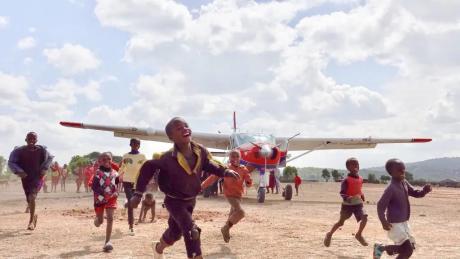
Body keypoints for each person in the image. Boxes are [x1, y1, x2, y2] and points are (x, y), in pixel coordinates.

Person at [130, 117, 240, 259]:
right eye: (179, 128)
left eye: (186, 126)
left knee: (175, 233)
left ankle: (158, 248)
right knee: (192, 232)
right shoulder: (167, 158)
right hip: (174, 202)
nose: (184, 129)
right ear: (171, 137)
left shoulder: (201, 151)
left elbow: (209, 164)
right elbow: (147, 168)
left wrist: (224, 171)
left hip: (190, 200)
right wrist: (138, 194)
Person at [373, 159, 432, 259]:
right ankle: (382, 248)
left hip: (404, 222)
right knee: (407, 250)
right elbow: (380, 205)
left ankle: (383, 248)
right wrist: (383, 221)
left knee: (410, 247)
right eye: (399, 170)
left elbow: (415, 193)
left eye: (403, 169)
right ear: (391, 173)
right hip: (395, 223)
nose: (402, 172)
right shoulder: (391, 188)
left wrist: (424, 191)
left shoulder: (403, 182)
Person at [201, 150, 252, 243]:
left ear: (240, 158)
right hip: (229, 194)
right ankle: (225, 228)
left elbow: (248, 182)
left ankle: (226, 229)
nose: (234, 158)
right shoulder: (225, 169)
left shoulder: (243, 169)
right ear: (229, 158)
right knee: (240, 212)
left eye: (237, 156)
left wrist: (249, 181)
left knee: (232, 216)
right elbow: (213, 177)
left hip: (238, 195)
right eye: (232, 156)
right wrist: (202, 186)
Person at [8, 132, 54, 230]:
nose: (32, 141)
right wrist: (19, 171)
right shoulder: (19, 151)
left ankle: (31, 222)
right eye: (30, 139)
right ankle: (34, 216)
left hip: (38, 178)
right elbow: (11, 162)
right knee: (29, 199)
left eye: (34, 139)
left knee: (32, 197)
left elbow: (50, 158)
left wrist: (45, 168)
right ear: (26, 140)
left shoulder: (42, 150)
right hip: (25, 178)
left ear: (36, 140)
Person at [324, 157, 368, 247]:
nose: (356, 166)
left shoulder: (360, 179)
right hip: (347, 205)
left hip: (358, 204)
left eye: (357, 164)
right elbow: (342, 193)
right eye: (354, 165)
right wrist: (348, 198)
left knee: (365, 216)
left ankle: (359, 234)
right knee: (341, 222)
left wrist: (362, 195)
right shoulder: (346, 180)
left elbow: (358, 189)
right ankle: (329, 234)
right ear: (348, 168)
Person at [92, 152, 119, 252]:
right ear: (100, 161)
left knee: (110, 218)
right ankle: (98, 219)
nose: (107, 161)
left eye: (109, 159)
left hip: (111, 199)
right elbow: (94, 186)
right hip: (99, 199)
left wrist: (116, 192)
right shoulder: (98, 173)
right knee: (100, 221)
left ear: (112, 160)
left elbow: (116, 185)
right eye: (104, 159)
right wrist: (103, 193)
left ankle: (107, 242)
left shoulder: (116, 173)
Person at [118, 138, 146, 235]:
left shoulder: (142, 156)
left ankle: (126, 204)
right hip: (127, 181)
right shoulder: (126, 156)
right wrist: (118, 176)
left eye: (137, 144)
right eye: (133, 144)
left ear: (139, 145)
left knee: (134, 204)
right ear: (130, 144)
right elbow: (122, 168)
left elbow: (145, 169)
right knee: (131, 202)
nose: (135, 145)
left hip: (137, 182)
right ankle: (131, 226)